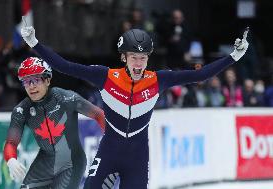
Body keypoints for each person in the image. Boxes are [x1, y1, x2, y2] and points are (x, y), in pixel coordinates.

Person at [21, 19, 249, 188]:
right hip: (109, 150)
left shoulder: (159, 79)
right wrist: (34, 43)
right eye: (133, 57)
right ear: (124, 58)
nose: (138, 63)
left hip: (138, 156)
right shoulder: (106, 76)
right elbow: (65, 66)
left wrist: (233, 57)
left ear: (148, 58)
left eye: (143, 58)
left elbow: (200, 76)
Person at [3, 57, 105, 189]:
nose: (31, 86)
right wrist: (11, 159)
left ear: (47, 80)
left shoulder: (66, 98)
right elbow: (11, 142)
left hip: (72, 161)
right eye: (26, 82)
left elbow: (98, 114)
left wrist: (114, 138)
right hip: (46, 161)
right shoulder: (22, 110)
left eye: (36, 80)